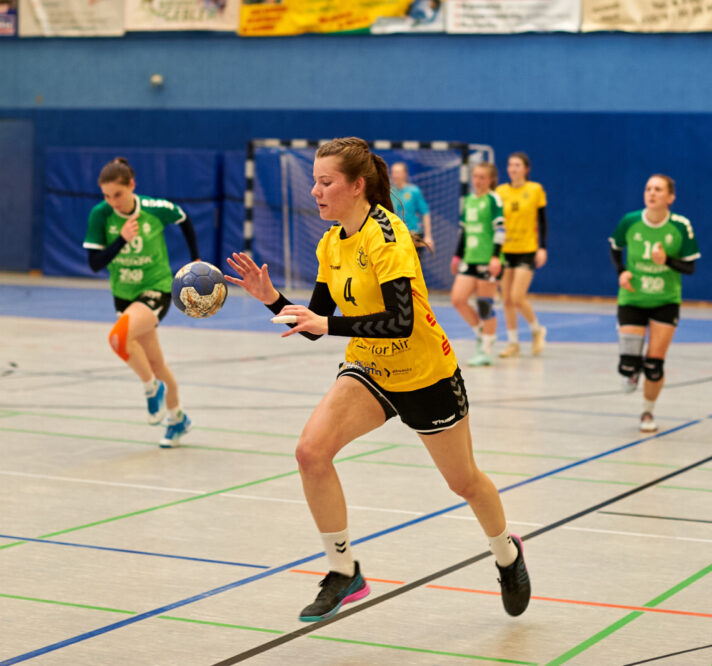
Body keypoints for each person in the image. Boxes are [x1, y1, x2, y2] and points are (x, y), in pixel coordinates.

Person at [225, 138, 530, 623]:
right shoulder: (331, 242)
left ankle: (507, 553)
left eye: (326, 182)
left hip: (426, 374)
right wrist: (272, 298)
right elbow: (315, 321)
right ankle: (344, 571)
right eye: (315, 181)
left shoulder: (387, 236)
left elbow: (401, 321)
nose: (316, 190)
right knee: (310, 452)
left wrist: (327, 325)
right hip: (370, 369)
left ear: (356, 186)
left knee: (465, 483)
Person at [83, 157, 201, 448]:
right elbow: (95, 264)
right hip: (124, 294)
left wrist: (195, 256)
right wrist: (121, 240)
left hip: (157, 288)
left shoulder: (154, 209)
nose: (113, 202)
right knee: (156, 362)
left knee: (117, 338)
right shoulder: (101, 215)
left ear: (132, 186)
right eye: (107, 196)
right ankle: (178, 419)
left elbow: (183, 217)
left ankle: (151, 389)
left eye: (118, 195)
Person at [610, 174, 699, 433]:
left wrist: (667, 261)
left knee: (654, 364)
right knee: (628, 365)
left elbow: (690, 267)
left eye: (658, 189)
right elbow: (615, 247)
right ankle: (631, 369)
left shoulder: (681, 226)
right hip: (632, 297)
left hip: (665, 300)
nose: (652, 193)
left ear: (670, 197)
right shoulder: (630, 221)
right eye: (648, 188)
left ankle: (647, 412)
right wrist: (621, 272)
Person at [450, 162, 504, 366]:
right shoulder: (470, 200)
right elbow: (464, 232)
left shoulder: (493, 199)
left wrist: (496, 256)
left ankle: (486, 349)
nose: (477, 180)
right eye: (475, 176)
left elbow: (500, 230)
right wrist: (457, 256)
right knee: (458, 299)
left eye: (482, 177)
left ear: (490, 179)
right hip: (470, 258)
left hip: (488, 258)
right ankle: (482, 333)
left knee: (484, 304)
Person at [496, 152, 548, 358]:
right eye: (510, 165)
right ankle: (513, 343)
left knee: (518, 297)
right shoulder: (500, 191)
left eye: (517, 165)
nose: (513, 168)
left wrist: (542, 247)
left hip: (527, 249)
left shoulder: (535, 190)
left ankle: (537, 330)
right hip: (505, 250)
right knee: (506, 299)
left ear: (526, 169)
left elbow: (543, 221)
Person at [390, 162, 432, 249]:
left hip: (413, 234)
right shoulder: (390, 192)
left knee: (413, 262)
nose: (394, 175)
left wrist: (428, 236)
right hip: (396, 235)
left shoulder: (414, 191)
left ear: (405, 174)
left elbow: (425, 213)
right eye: (393, 172)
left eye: (397, 172)